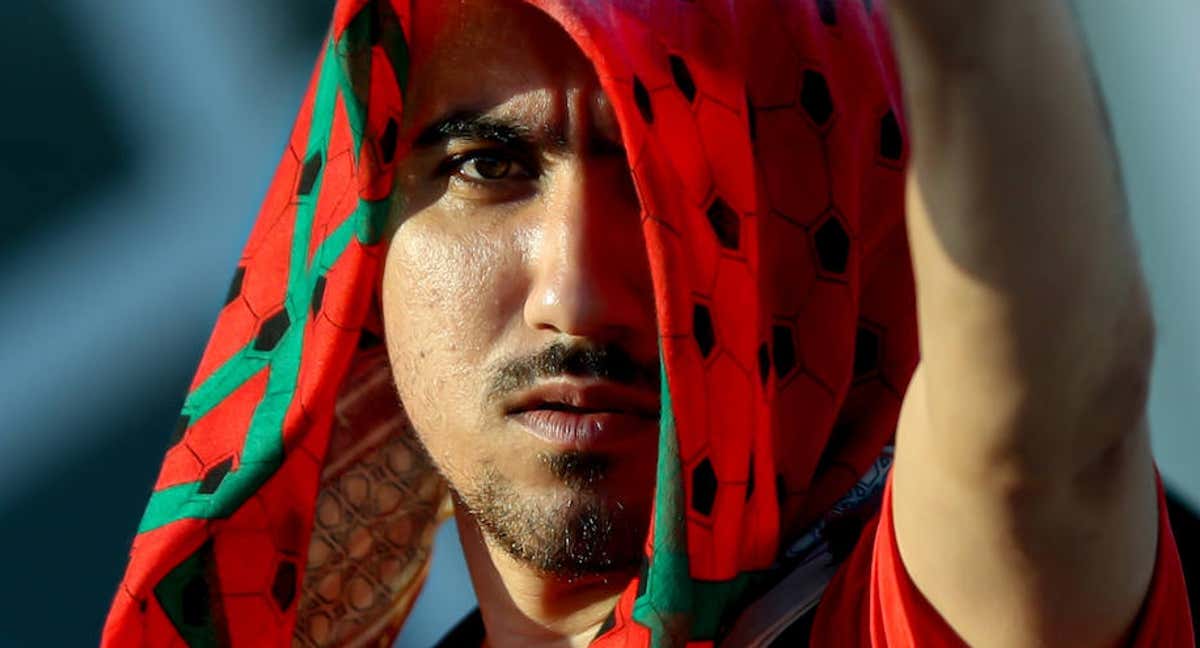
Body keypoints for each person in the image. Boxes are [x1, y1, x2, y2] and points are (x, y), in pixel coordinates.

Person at [102, 1, 1194, 646]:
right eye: (488, 167)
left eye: (676, 185)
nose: (574, 293)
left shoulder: (904, 612)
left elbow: (1051, 445)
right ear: (367, 252)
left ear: (821, 249)